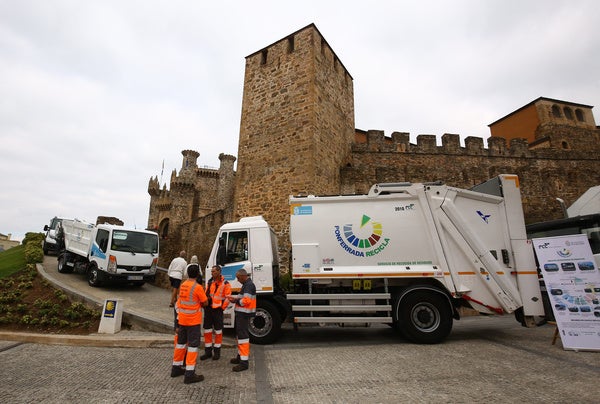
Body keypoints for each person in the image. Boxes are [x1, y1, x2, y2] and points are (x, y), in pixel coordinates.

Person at [170, 264, 208, 384]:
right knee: (192, 346)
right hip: (193, 321)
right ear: (197, 274)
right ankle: (189, 374)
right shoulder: (197, 287)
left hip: (182, 321)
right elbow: (205, 302)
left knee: (180, 345)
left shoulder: (183, 285)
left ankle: (176, 368)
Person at [200, 265, 231, 361]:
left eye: (214, 271)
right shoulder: (210, 282)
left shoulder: (225, 283)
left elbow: (228, 297)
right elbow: (206, 294)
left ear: (219, 272)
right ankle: (208, 351)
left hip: (218, 310)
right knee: (207, 331)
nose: (212, 273)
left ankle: (217, 352)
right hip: (208, 309)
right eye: (212, 271)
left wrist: (222, 308)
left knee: (218, 331)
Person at [227, 268, 256, 372]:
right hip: (241, 314)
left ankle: (244, 362)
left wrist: (236, 301)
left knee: (243, 337)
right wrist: (236, 299)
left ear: (244, 276)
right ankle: (240, 357)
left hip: (244, 314)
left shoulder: (249, 285)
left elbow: (246, 301)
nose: (237, 280)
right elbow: (243, 299)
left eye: (238, 278)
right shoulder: (246, 285)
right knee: (240, 336)